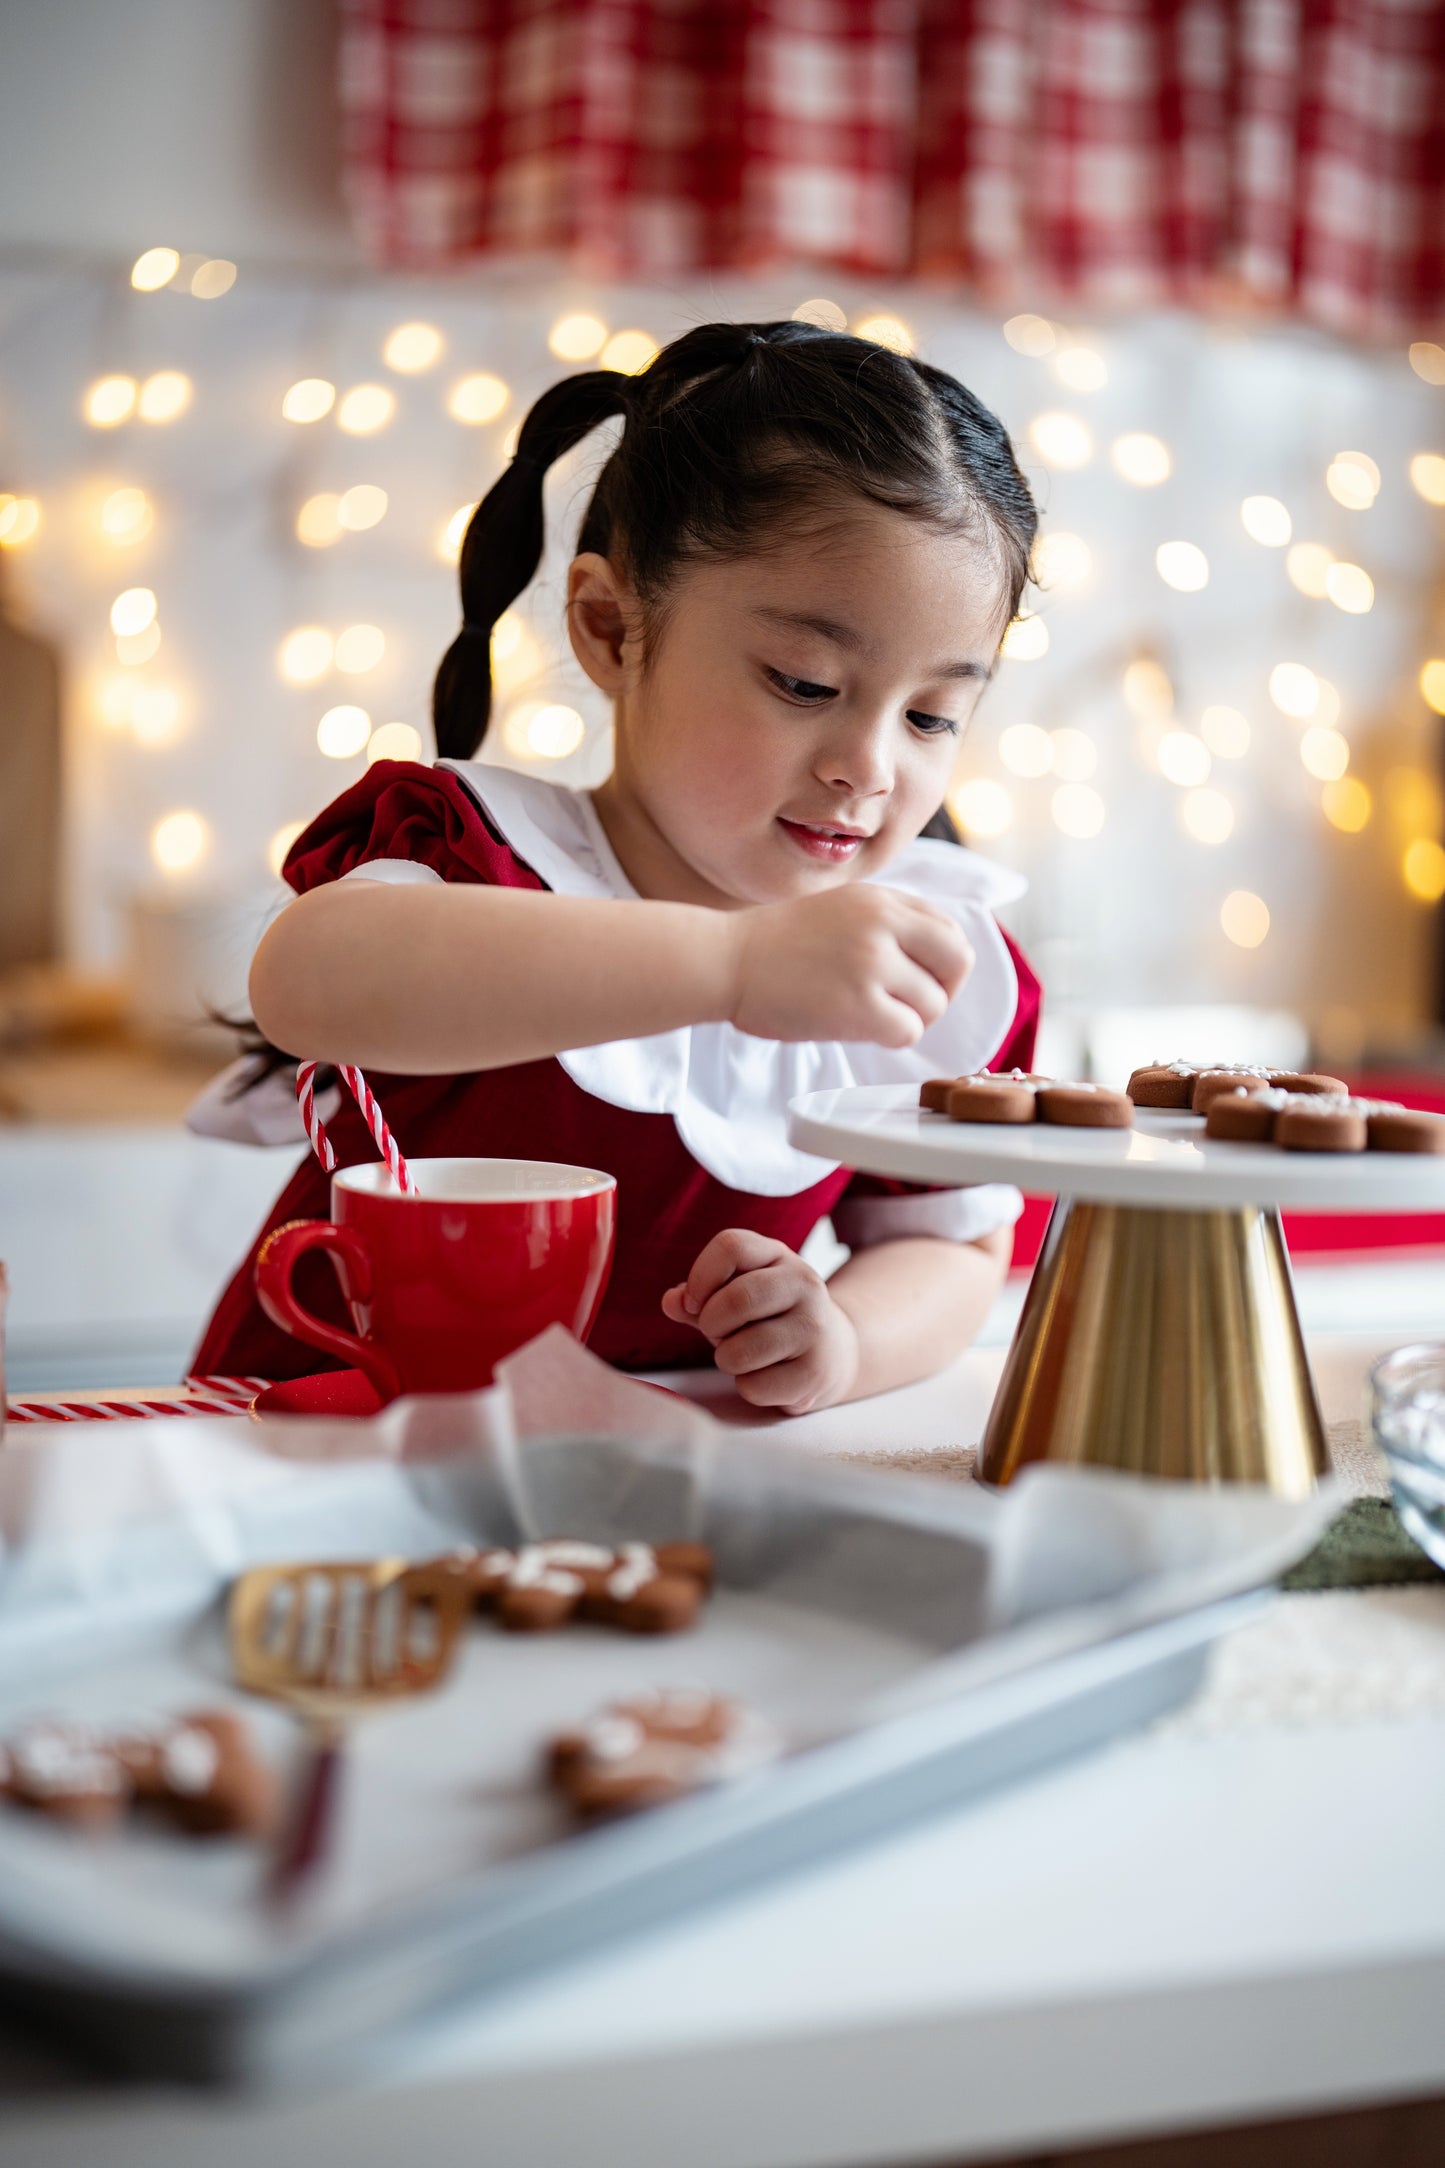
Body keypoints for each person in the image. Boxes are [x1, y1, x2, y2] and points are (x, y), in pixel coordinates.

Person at [192, 319, 1041, 1414]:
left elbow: (952, 1251)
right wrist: (731, 963)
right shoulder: (477, 850)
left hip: (652, 1483)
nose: (866, 768)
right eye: (803, 682)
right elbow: (309, 980)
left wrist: (842, 1336)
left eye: (931, 715)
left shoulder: (923, 966)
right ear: (609, 627)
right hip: (332, 1441)